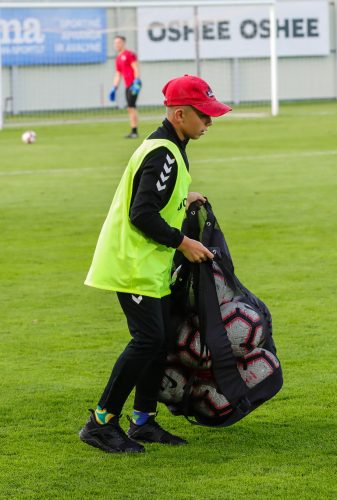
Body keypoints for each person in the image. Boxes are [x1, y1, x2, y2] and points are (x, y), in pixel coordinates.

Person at [80, 75, 232, 453]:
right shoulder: (163, 151)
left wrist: (185, 197)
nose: (209, 122)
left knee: (160, 340)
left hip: (150, 265)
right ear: (180, 114)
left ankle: (144, 422)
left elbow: (158, 198)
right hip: (132, 265)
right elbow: (142, 213)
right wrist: (184, 242)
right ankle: (100, 422)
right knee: (147, 341)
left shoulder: (173, 145)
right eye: (205, 115)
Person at [109, 35, 142, 139]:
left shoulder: (129, 54)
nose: (117, 45)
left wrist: (137, 81)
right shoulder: (118, 58)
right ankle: (134, 130)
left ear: (123, 43)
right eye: (115, 43)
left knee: (130, 107)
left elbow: (135, 68)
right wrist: (114, 87)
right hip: (128, 85)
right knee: (131, 108)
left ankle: (134, 131)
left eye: (118, 42)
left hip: (134, 84)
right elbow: (118, 74)